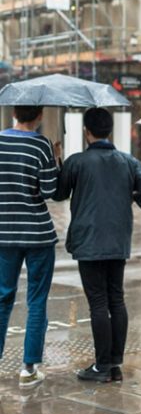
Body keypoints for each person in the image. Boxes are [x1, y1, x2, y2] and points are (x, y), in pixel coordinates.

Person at [54, 108, 141, 382]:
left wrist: (58, 162)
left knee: (98, 303)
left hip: (88, 241)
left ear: (86, 132)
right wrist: (133, 197)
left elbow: (59, 193)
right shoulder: (127, 161)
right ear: (109, 130)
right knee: (116, 299)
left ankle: (101, 366)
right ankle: (114, 365)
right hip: (117, 239)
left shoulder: (76, 162)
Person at [0, 106, 59, 387]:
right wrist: (55, 160)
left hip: (3, 234)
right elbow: (50, 191)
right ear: (38, 116)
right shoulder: (42, 145)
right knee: (36, 300)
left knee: (2, 299)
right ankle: (29, 368)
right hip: (38, 234)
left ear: (14, 113)